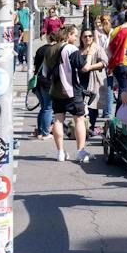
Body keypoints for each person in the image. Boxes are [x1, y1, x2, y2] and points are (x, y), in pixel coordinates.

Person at [43, 25, 88, 163]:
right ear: (68, 35)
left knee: (58, 119)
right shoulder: (70, 49)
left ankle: (60, 152)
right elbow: (83, 67)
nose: (76, 38)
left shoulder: (49, 50)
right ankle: (80, 151)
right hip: (72, 90)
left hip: (56, 90)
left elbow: (45, 73)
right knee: (79, 119)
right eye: (74, 35)